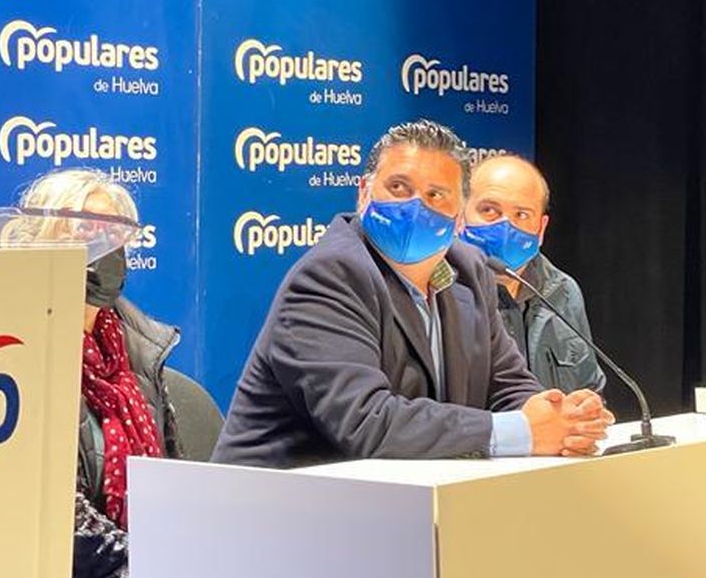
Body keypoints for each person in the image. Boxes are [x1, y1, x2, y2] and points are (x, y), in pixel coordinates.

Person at [212, 119, 610, 468]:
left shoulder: (469, 271)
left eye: (437, 195)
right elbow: (366, 422)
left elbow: (506, 383)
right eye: (399, 187)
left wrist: (560, 416)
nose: (416, 206)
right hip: (277, 514)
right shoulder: (331, 275)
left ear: (457, 218)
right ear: (364, 192)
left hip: (391, 509)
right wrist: (523, 432)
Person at [19, 168, 179, 578]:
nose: (103, 252)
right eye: (84, 234)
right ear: (41, 243)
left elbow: (173, 479)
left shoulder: (136, 352)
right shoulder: (13, 347)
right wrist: (160, 574)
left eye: (114, 238)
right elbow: (50, 512)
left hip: (140, 572)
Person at [463, 153, 605, 393]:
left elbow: (589, 385)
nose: (506, 226)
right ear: (460, 214)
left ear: (541, 228)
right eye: (489, 210)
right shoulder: (436, 294)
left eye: (522, 215)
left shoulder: (563, 291)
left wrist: (588, 411)